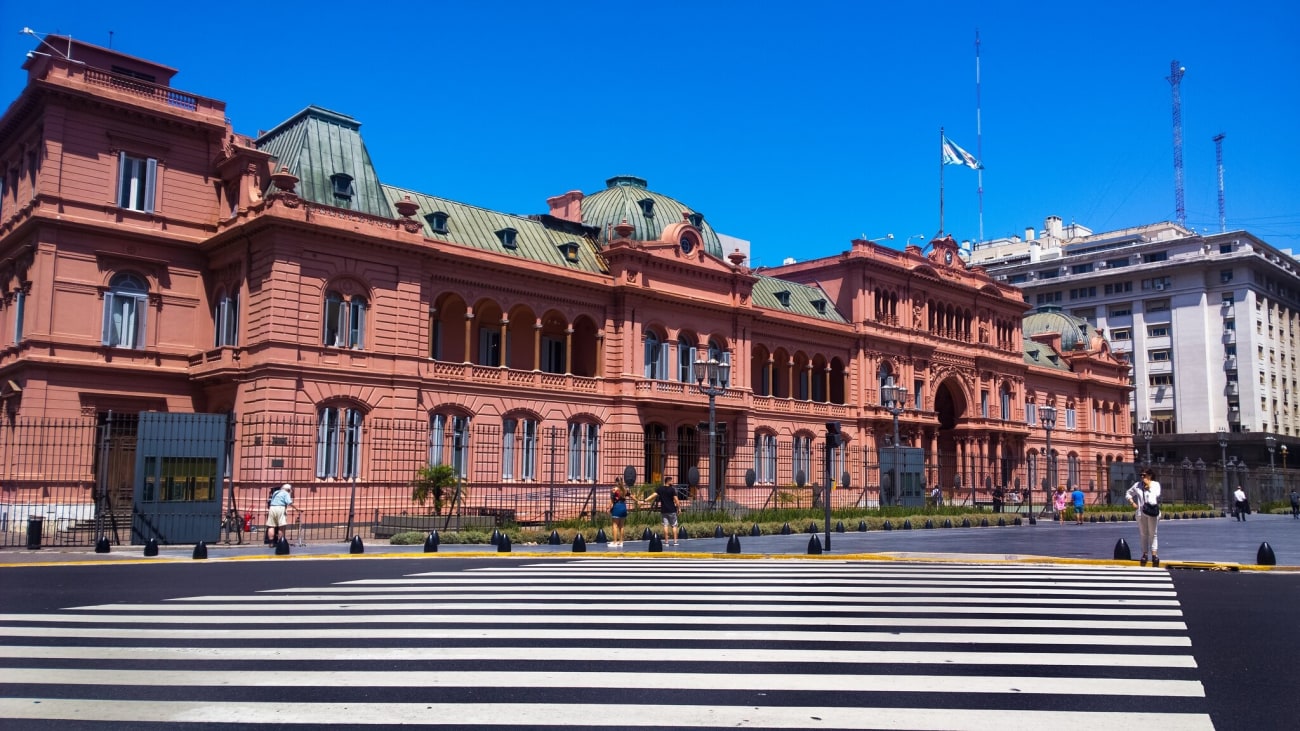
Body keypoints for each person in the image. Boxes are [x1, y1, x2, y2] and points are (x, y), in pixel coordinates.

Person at [1126, 469, 1161, 567]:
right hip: (1141, 513)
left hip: (1152, 512)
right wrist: (1132, 502)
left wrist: (1148, 486)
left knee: (1153, 534)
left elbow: (1155, 496)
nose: (1142, 477)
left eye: (1144, 475)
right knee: (1143, 534)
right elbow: (1128, 493)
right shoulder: (1137, 485)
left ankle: (1154, 555)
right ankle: (1145, 554)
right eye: (1141, 475)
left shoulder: (1155, 484)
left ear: (1150, 476)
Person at [652, 481, 681, 547]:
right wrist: (679, 508)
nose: (673, 482)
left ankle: (666, 542)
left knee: (665, 525)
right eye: (672, 481)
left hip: (664, 510)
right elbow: (676, 500)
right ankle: (675, 541)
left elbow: (653, 495)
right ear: (668, 481)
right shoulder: (672, 489)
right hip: (672, 510)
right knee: (674, 525)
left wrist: (645, 500)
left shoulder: (660, 489)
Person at [608, 477, 630, 548]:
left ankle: (615, 542)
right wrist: (638, 501)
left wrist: (608, 508)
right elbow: (631, 496)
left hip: (617, 507)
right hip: (623, 507)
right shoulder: (625, 489)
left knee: (615, 525)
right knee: (622, 526)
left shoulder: (614, 490)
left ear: (616, 482)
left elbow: (611, 501)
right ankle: (621, 542)